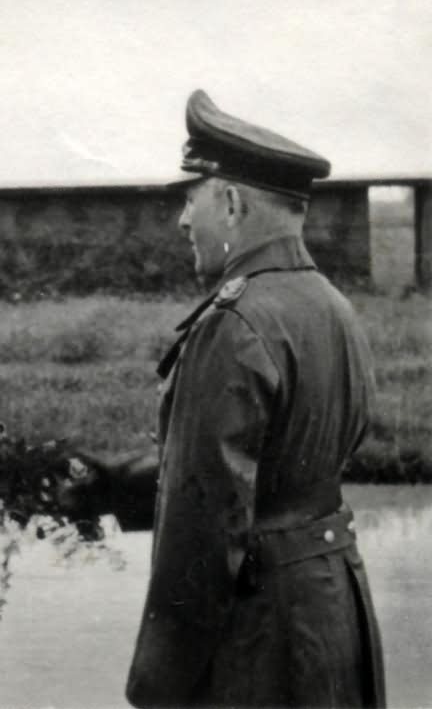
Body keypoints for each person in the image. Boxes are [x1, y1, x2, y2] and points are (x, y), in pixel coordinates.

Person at [126, 90, 385, 708]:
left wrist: (158, 680)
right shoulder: (331, 304)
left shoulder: (234, 322)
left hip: (258, 630)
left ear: (233, 202)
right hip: (330, 601)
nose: (183, 222)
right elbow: (294, 465)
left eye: (191, 200)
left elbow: (204, 526)